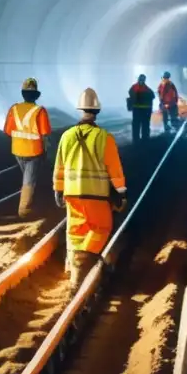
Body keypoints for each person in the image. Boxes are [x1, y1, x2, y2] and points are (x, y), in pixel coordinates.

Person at [53, 88, 127, 293]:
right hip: (96, 194)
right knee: (100, 228)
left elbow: (59, 166)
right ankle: (82, 261)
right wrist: (120, 192)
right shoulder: (104, 137)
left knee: (75, 230)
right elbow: (114, 168)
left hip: (72, 193)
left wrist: (58, 189)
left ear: (80, 110)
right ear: (97, 111)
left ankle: (73, 268)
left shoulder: (66, 136)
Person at [3, 77, 53, 218]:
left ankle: (29, 202)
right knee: (29, 180)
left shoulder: (14, 109)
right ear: (36, 95)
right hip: (34, 151)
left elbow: (7, 130)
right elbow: (45, 133)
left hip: (17, 150)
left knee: (27, 177)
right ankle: (24, 210)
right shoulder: (40, 111)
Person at [126, 74, 155, 145]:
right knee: (145, 125)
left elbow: (130, 93)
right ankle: (145, 139)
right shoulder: (147, 89)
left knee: (136, 125)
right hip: (145, 110)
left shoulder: (134, 87)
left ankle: (136, 140)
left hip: (137, 110)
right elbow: (153, 96)